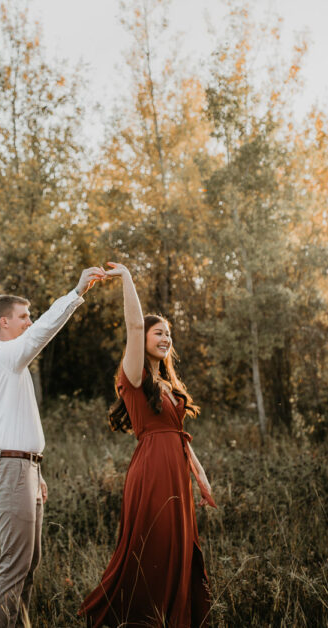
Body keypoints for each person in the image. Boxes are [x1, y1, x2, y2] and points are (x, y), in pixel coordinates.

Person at [79, 262, 215, 628]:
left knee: (179, 547)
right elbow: (135, 325)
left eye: (168, 334)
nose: (165, 338)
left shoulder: (168, 386)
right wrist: (126, 278)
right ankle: (134, 619)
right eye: (159, 333)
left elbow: (179, 434)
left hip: (176, 470)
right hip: (153, 470)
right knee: (153, 545)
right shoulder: (133, 375)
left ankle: (174, 618)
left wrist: (200, 476)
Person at [0, 266, 106, 628]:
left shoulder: (15, 367)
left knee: (29, 565)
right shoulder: (3, 357)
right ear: (4, 322)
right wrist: (77, 293)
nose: (29, 321)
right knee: (14, 566)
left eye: (29, 315)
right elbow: (41, 334)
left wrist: (37, 470)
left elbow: (17, 425)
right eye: (23, 316)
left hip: (26, 470)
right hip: (11, 471)